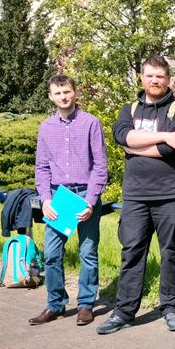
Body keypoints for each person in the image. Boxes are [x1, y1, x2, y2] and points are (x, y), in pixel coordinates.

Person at [97, 56, 175, 335]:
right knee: (132, 252)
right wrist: (163, 136)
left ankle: (171, 308)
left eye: (160, 77)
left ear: (168, 80)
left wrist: (135, 146)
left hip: (170, 195)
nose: (155, 81)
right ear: (142, 78)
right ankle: (124, 312)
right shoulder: (129, 109)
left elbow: (171, 149)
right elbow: (121, 136)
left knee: (171, 252)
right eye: (150, 76)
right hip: (136, 196)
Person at [30, 75, 108, 326]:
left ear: (75, 93)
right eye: (58, 92)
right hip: (59, 197)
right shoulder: (46, 128)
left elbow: (100, 165)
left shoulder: (91, 123)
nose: (63, 96)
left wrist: (91, 201)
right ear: (51, 96)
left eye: (66, 91)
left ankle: (86, 304)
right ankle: (55, 304)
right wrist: (45, 200)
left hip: (86, 194)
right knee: (52, 254)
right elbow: (41, 167)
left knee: (88, 252)